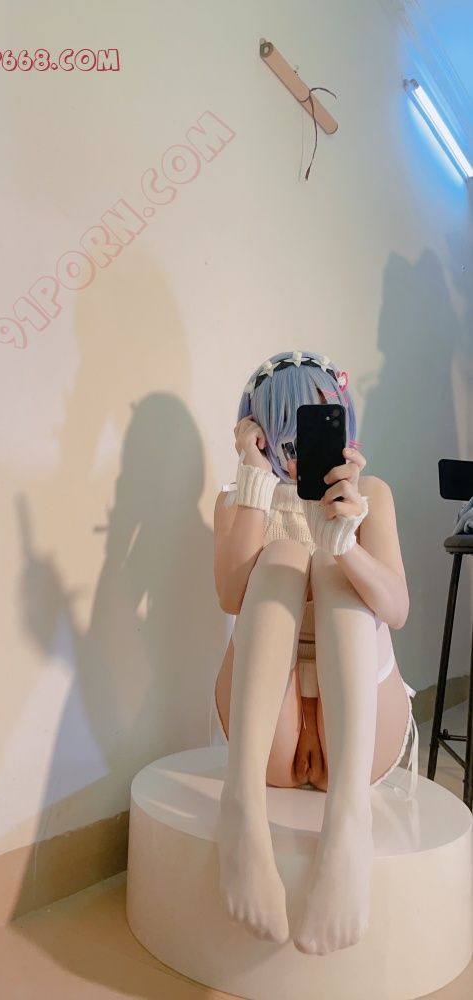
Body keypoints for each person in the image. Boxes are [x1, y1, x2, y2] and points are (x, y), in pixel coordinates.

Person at [212, 349, 418, 955]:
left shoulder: (369, 493)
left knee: (329, 566)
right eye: (283, 435)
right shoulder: (236, 500)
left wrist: (346, 544)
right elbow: (231, 595)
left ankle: (349, 827)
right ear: (257, 432)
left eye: (311, 429)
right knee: (282, 557)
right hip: (268, 732)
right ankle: (242, 810)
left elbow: (397, 610)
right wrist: (254, 482)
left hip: (358, 730)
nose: (298, 450)